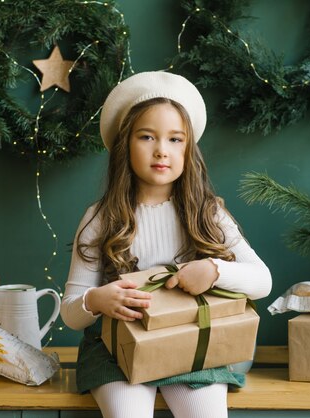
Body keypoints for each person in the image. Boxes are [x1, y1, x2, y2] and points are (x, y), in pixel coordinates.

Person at [61, 71, 272, 418]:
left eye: (175, 139)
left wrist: (214, 270)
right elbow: (71, 312)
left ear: (189, 149)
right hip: (116, 353)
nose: (161, 150)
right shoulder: (100, 218)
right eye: (147, 137)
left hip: (190, 344)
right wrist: (96, 299)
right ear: (124, 143)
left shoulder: (207, 213)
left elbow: (262, 281)